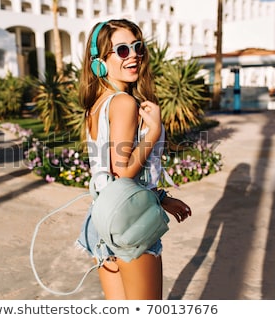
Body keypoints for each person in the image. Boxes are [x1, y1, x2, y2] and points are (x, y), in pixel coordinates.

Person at [77, 19, 191, 300]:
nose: (135, 54)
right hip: (129, 221)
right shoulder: (124, 103)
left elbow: (110, 175)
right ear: (99, 60)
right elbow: (124, 170)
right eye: (123, 50)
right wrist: (152, 130)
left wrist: (160, 197)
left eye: (138, 47)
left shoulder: (97, 105)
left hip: (100, 219)